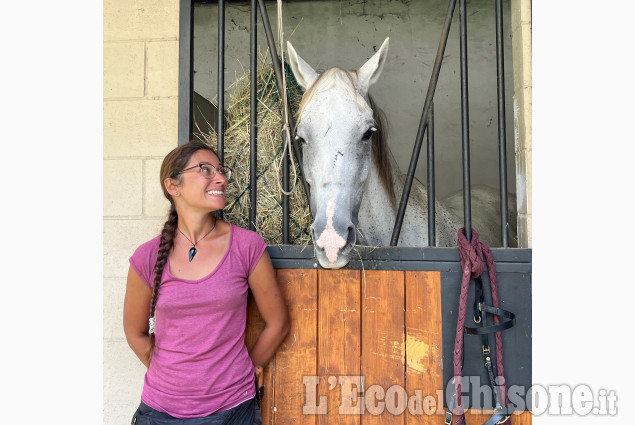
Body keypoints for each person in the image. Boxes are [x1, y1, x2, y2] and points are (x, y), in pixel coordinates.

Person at [123, 140, 290, 424]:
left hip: (233, 410)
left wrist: (250, 369)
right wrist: (171, 375)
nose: (221, 178)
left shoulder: (246, 246)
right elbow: (135, 331)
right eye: (205, 169)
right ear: (173, 187)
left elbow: (278, 322)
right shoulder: (147, 256)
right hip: (161, 412)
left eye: (221, 171)